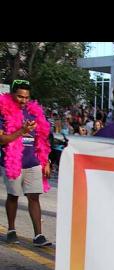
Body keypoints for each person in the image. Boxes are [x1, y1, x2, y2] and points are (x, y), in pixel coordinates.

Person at [0, 79, 53, 246]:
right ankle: (11, 230)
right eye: (20, 96)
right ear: (12, 94)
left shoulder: (34, 112)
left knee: (34, 197)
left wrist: (46, 161)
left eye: (26, 97)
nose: (23, 100)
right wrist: (22, 131)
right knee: (13, 196)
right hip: (12, 162)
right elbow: (2, 139)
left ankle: (39, 236)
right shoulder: (3, 112)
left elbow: (42, 138)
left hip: (33, 162)